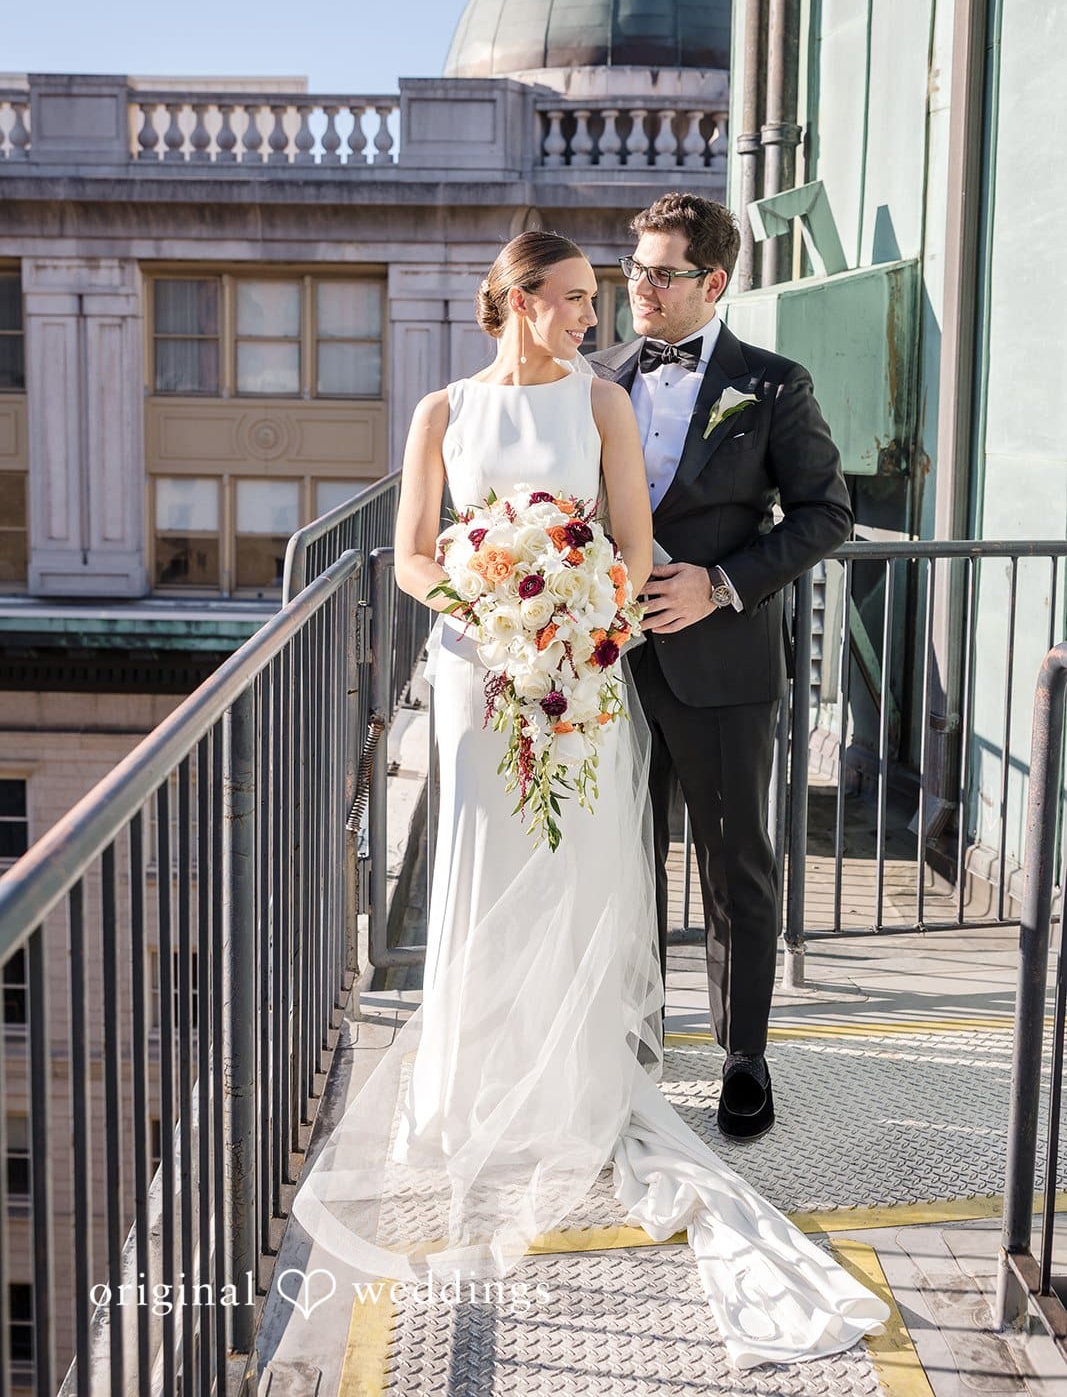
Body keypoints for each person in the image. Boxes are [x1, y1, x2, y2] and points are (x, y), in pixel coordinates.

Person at [291, 231, 887, 1368]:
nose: (603, 307)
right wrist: (489, 603)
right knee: (485, 874)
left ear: (707, 282)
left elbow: (637, 538)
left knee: (659, 865)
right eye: (576, 294)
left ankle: (704, 1065)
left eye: (621, 287)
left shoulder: (656, 395)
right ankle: (481, 1077)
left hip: (594, 667)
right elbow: (413, 554)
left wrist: (567, 610)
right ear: (516, 301)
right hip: (480, 672)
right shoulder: (444, 413)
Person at [588, 193, 854, 1142]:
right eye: (635, 270)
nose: (640, 290)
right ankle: (633, 1043)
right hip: (604, 669)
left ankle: (744, 1056)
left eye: (661, 273)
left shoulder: (773, 385)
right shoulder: (592, 376)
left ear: (714, 281)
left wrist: (723, 585)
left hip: (725, 665)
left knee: (734, 863)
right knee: (620, 863)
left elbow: (825, 515)